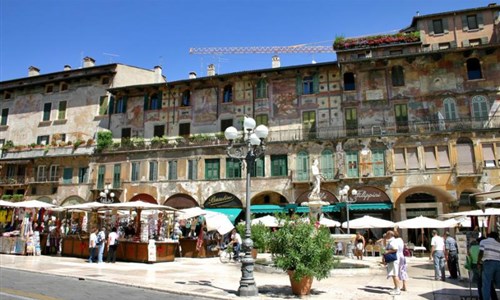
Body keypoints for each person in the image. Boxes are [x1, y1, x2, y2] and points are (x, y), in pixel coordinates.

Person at [478, 231, 500, 300]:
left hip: (488, 264)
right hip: (498, 263)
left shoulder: (483, 241)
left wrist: (478, 262)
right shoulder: (498, 244)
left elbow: (481, 252)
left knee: (486, 284)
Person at [385, 230, 401, 295]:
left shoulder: (393, 241)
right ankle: (395, 287)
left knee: (395, 274)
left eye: (387, 234)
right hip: (392, 260)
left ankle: (398, 289)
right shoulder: (391, 241)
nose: (386, 236)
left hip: (394, 260)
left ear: (390, 235)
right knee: (393, 274)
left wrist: (387, 252)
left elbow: (395, 249)